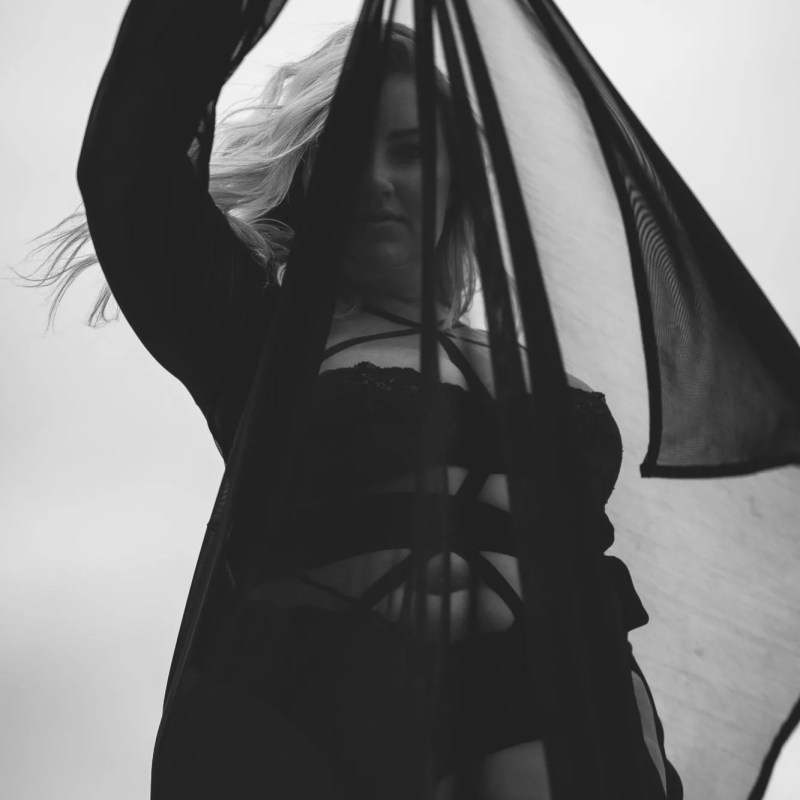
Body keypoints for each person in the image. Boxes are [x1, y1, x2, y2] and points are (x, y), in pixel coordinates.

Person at [30, 3, 682, 798]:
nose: (373, 181)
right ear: (306, 177)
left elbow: (592, 593)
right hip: (328, 718)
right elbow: (129, 170)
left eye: (410, 152)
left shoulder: (542, 371)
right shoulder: (259, 339)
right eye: (342, 150)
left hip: (557, 716)